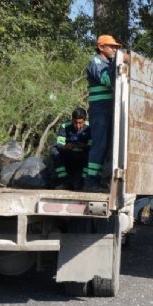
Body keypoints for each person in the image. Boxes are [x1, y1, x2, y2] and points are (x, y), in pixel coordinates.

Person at [84, 34, 126, 192]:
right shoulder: (96, 61)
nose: (114, 49)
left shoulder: (108, 62)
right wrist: (118, 62)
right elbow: (108, 80)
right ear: (100, 47)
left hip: (109, 109)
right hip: (100, 109)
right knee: (99, 144)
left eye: (116, 47)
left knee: (109, 146)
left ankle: (102, 180)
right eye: (111, 46)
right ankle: (91, 182)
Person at [51, 107, 92, 190]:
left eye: (80, 123)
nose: (78, 126)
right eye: (75, 123)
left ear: (85, 120)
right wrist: (65, 147)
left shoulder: (90, 127)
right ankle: (63, 181)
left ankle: (83, 182)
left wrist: (83, 146)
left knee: (92, 154)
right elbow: (59, 144)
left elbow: (91, 145)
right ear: (72, 120)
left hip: (83, 155)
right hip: (69, 154)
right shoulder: (64, 126)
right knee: (54, 151)